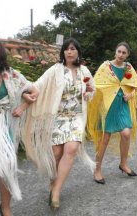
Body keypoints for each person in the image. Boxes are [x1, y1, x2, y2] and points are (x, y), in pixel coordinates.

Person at [22, 38, 96, 211]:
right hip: (59, 117)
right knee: (56, 152)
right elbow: (38, 85)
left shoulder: (84, 70)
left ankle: (56, 191)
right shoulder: (55, 70)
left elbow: (93, 88)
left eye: (72, 49)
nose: (69, 52)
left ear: (78, 52)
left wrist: (89, 93)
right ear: (62, 52)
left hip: (76, 116)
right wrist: (25, 91)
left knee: (71, 149)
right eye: (66, 49)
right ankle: (53, 180)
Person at [0, 35, 37, 216]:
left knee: (7, 165)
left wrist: (23, 104)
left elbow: (34, 90)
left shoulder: (11, 74)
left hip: (4, 126)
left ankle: (5, 207)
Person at [87, 42, 137, 184]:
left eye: (124, 53)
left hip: (122, 105)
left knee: (126, 133)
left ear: (127, 55)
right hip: (108, 105)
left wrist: (130, 94)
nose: (120, 55)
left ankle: (123, 164)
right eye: (119, 51)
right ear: (115, 52)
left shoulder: (129, 68)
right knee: (104, 139)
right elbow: (95, 83)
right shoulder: (106, 66)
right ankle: (97, 170)